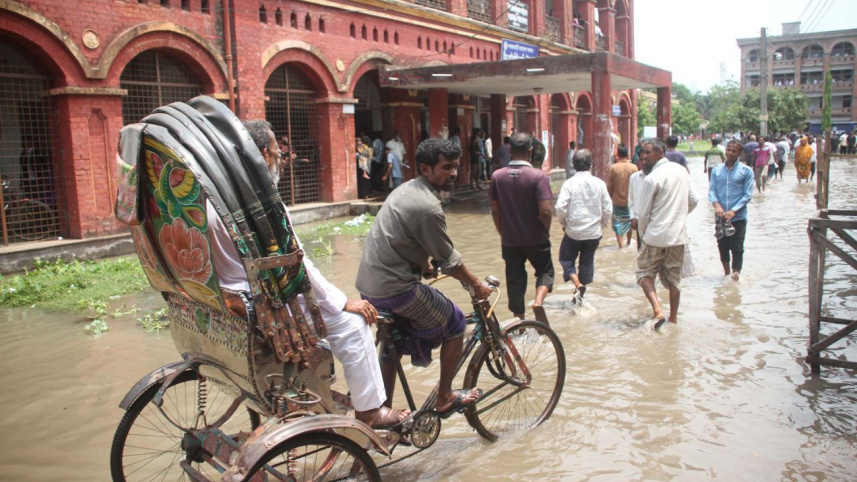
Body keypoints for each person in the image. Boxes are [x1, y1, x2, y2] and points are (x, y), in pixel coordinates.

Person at [230, 120, 408, 429]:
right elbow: (298, 265)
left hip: (232, 301)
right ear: (264, 155)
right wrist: (340, 302)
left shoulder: (219, 199)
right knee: (353, 325)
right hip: (266, 308)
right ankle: (370, 411)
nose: (283, 159)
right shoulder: (262, 206)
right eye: (278, 152)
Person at [356, 138, 490, 415]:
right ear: (425, 168)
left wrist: (423, 265)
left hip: (370, 285)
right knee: (455, 324)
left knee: (391, 339)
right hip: (395, 289)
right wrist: (476, 284)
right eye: (446, 167)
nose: (453, 174)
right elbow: (450, 260)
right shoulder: (427, 206)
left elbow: (404, 240)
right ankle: (444, 397)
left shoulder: (407, 190)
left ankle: (382, 410)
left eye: (456, 167)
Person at [489, 132, 555, 323]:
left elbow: (494, 210)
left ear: (510, 149)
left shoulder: (497, 176)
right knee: (545, 272)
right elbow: (546, 211)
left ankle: (519, 321)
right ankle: (538, 301)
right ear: (531, 151)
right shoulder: (538, 176)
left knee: (515, 279)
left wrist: (502, 232)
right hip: (537, 238)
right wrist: (545, 230)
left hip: (510, 240)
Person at [634, 138, 698, 330]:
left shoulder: (652, 178)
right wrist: (678, 216)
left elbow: (643, 213)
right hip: (677, 235)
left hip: (654, 234)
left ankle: (657, 310)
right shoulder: (681, 171)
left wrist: (643, 233)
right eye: (642, 153)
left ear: (660, 153)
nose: (643, 156)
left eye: (647, 152)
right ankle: (674, 319)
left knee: (644, 273)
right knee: (674, 279)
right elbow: (694, 200)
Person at [555, 149, 612, 306]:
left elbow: (560, 208)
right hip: (593, 233)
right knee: (587, 263)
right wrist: (602, 224)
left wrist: (564, 224)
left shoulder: (569, 183)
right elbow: (608, 209)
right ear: (590, 165)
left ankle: (576, 282)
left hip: (573, 232)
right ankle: (580, 291)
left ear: (573, 165)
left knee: (566, 259)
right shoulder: (600, 183)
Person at [708, 140, 754, 282]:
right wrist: (717, 206)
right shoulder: (716, 170)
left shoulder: (746, 171)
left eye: (734, 151)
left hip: (738, 217)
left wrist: (733, 211)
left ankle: (736, 274)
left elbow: (747, 195)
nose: (730, 153)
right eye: (729, 150)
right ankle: (726, 273)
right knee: (722, 246)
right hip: (720, 217)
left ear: (740, 153)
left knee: (738, 247)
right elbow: (712, 191)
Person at [606, 144, 638, 249]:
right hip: (631, 201)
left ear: (618, 154)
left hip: (617, 201)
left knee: (618, 223)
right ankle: (628, 242)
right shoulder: (634, 167)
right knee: (629, 221)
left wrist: (609, 197)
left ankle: (620, 247)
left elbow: (610, 186)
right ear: (627, 154)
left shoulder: (613, 168)